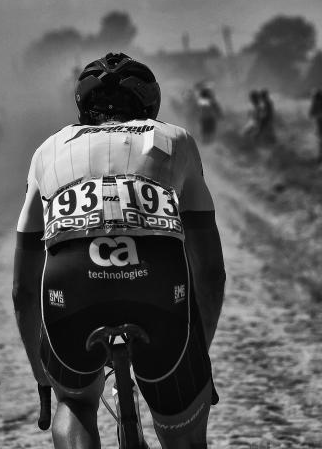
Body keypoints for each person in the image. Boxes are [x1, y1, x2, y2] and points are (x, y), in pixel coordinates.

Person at [13, 52, 226, 449]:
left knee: (74, 404)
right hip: (157, 285)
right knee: (184, 433)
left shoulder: (48, 150)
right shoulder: (175, 139)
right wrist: (195, 356)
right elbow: (210, 274)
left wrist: (43, 378)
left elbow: (24, 291)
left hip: (72, 288)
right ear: (150, 103)